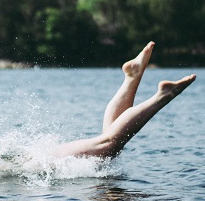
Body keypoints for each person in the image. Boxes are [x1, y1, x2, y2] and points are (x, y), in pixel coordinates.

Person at [54, 41, 196, 159]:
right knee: (107, 144)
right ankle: (132, 77)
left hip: (36, 159)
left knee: (107, 145)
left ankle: (163, 95)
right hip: (35, 157)